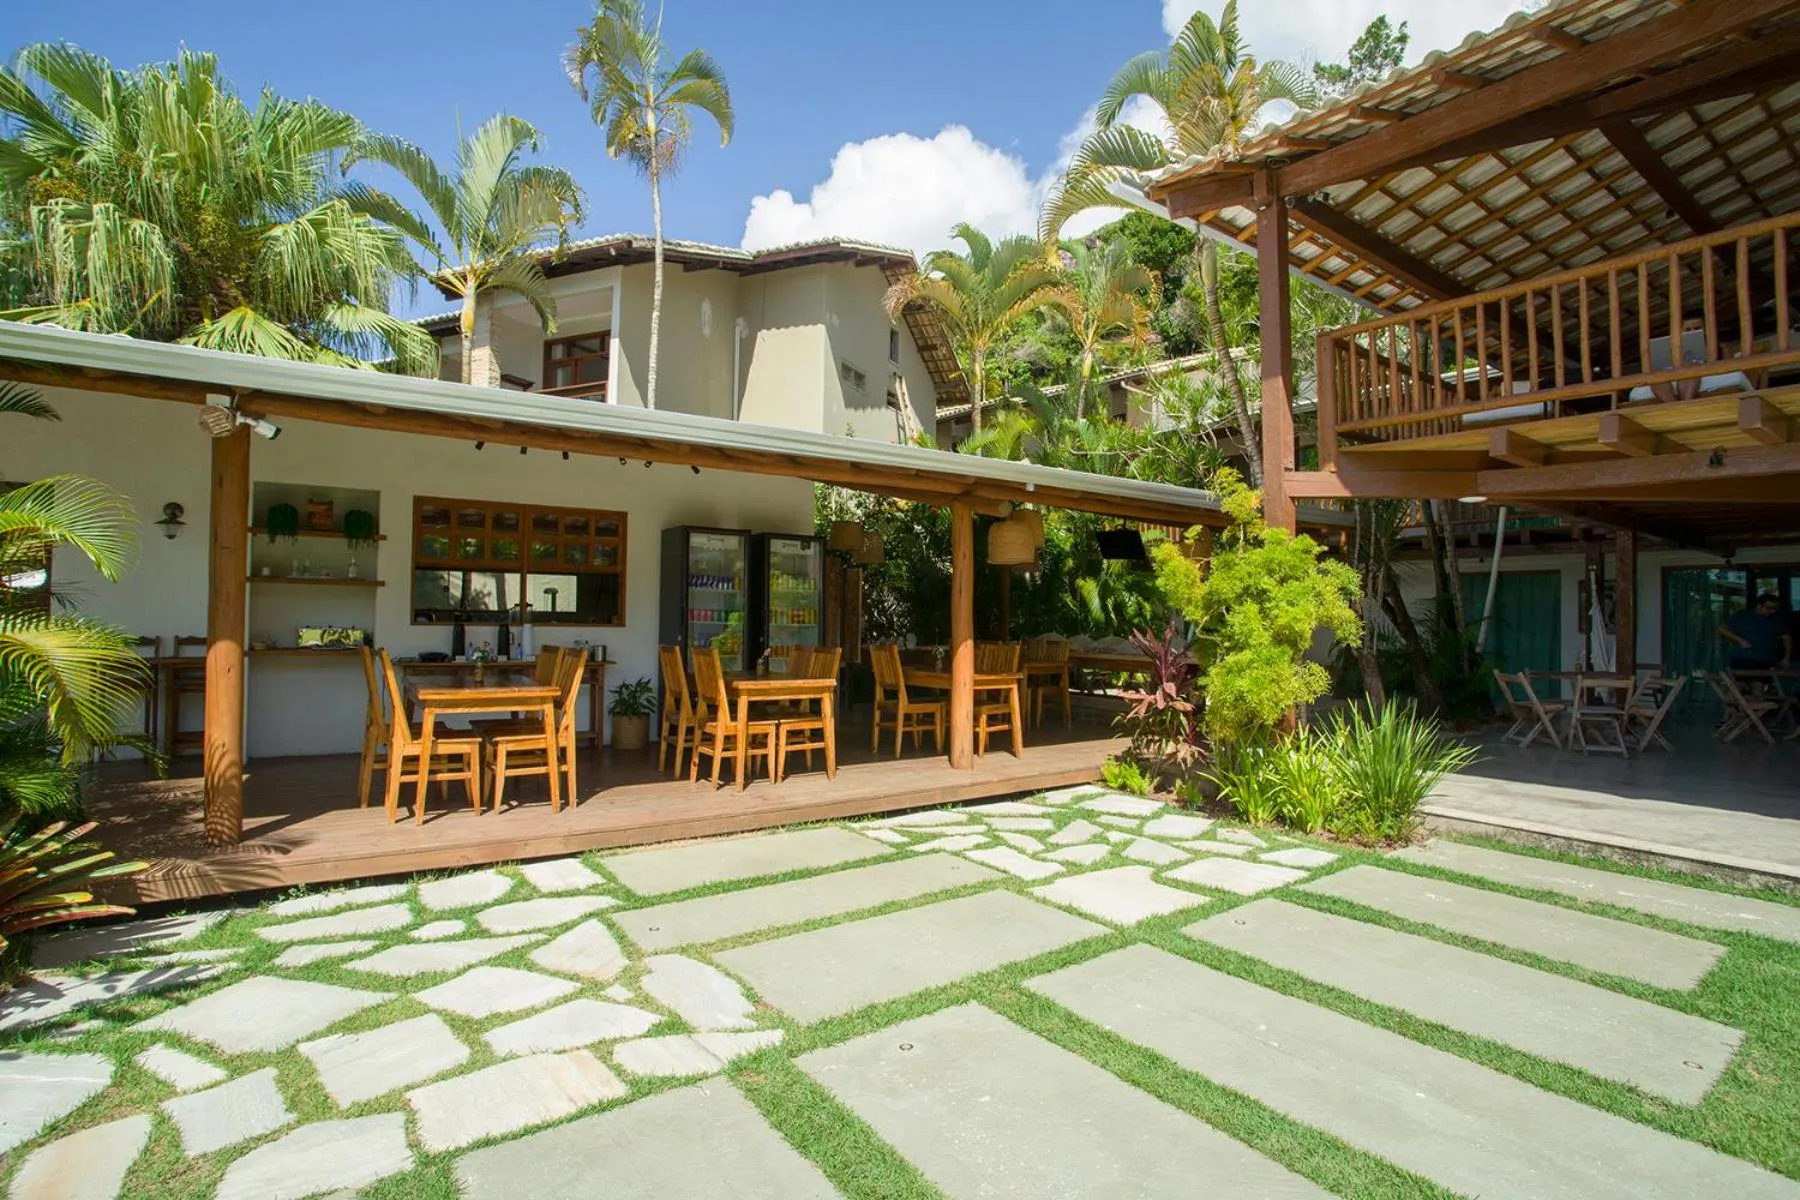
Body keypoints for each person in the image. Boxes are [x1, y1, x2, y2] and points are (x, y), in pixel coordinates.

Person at [1719, 594, 1792, 670]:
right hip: (1741, 659)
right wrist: (1739, 639)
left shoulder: (1776, 620)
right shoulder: (1742, 615)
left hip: (1766, 660)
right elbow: (1721, 629)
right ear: (1759, 605)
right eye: (1769, 608)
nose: (1772, 611)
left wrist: (1786, 658)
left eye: (1775, 609)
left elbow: (1786, 637)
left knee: (1762, 681)